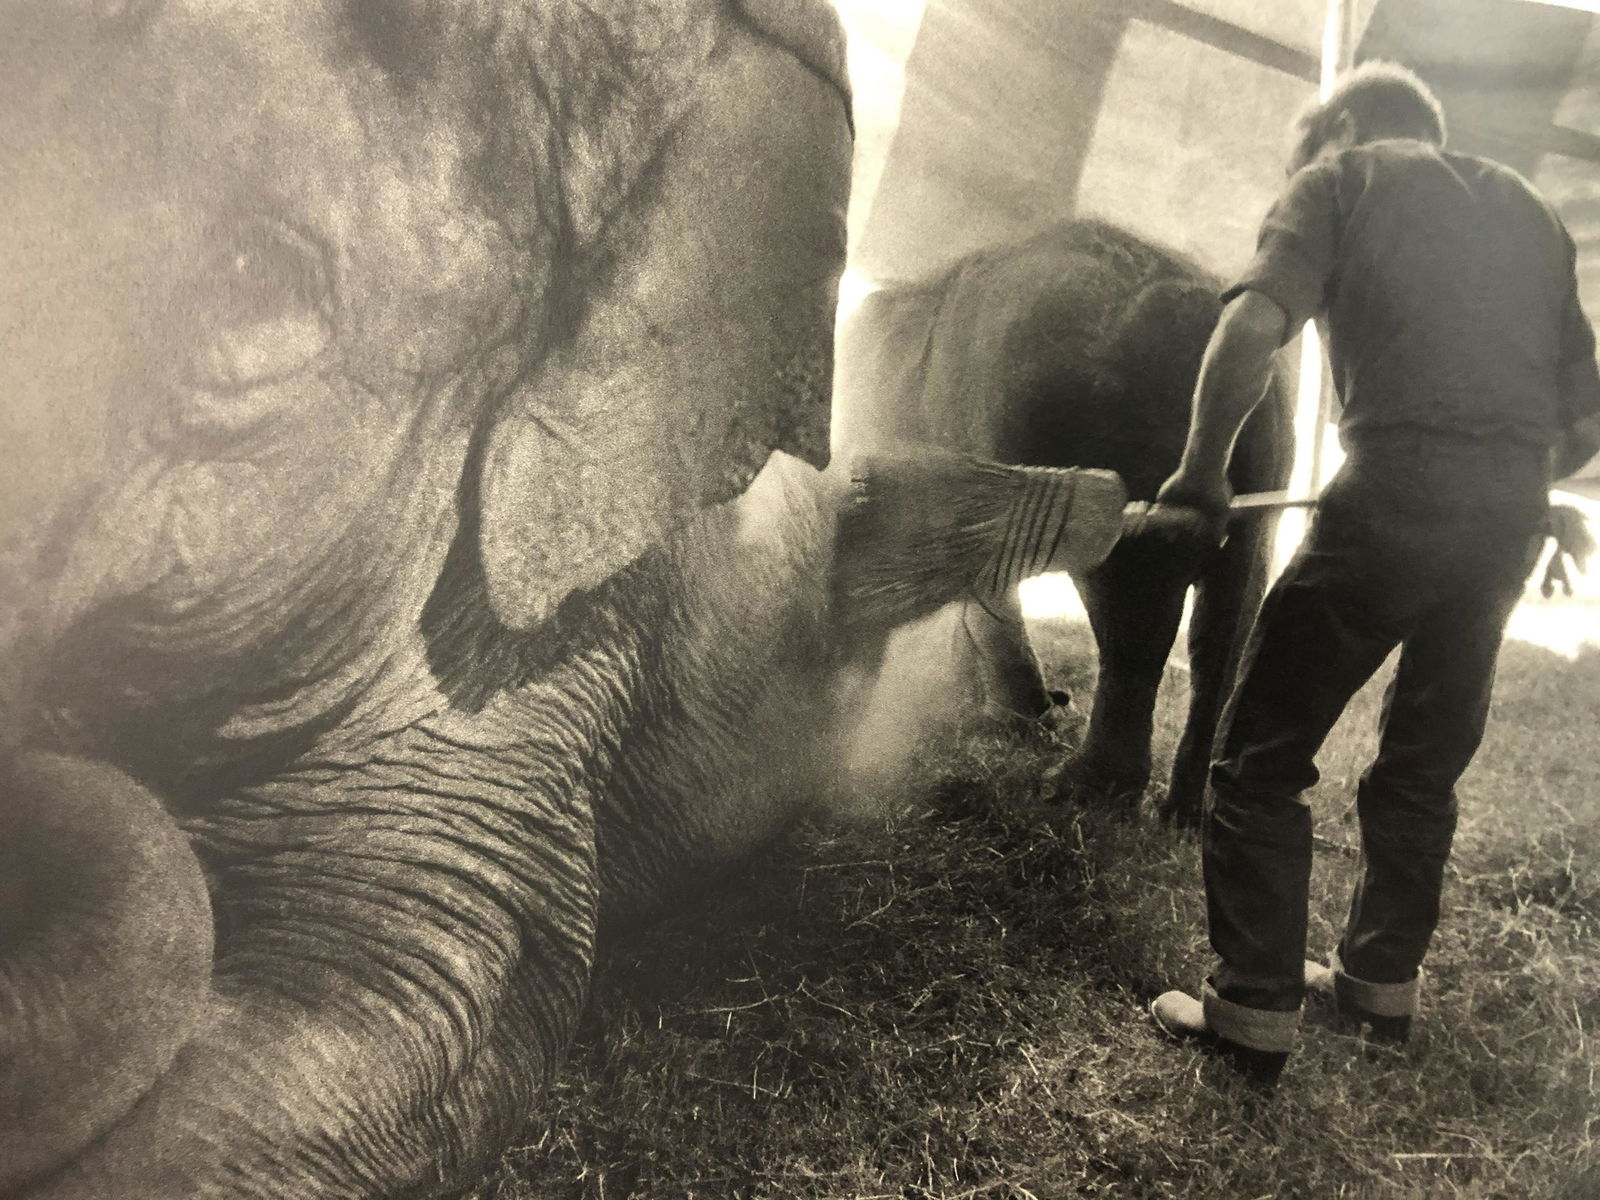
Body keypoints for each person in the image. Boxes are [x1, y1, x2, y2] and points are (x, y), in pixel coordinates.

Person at [1146, 60, 1600, 1085]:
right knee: (1421, 766)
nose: (1294, 169)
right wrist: (1513, 483)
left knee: (1256, 758)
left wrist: (1198, 476)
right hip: (1505, 519)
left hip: (1392, 492)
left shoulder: (1339, 179)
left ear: (1340, 125)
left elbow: (1250, 327)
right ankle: (1376, 990)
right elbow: (1583, 411)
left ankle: (1253, 1007)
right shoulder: (1530, 210)